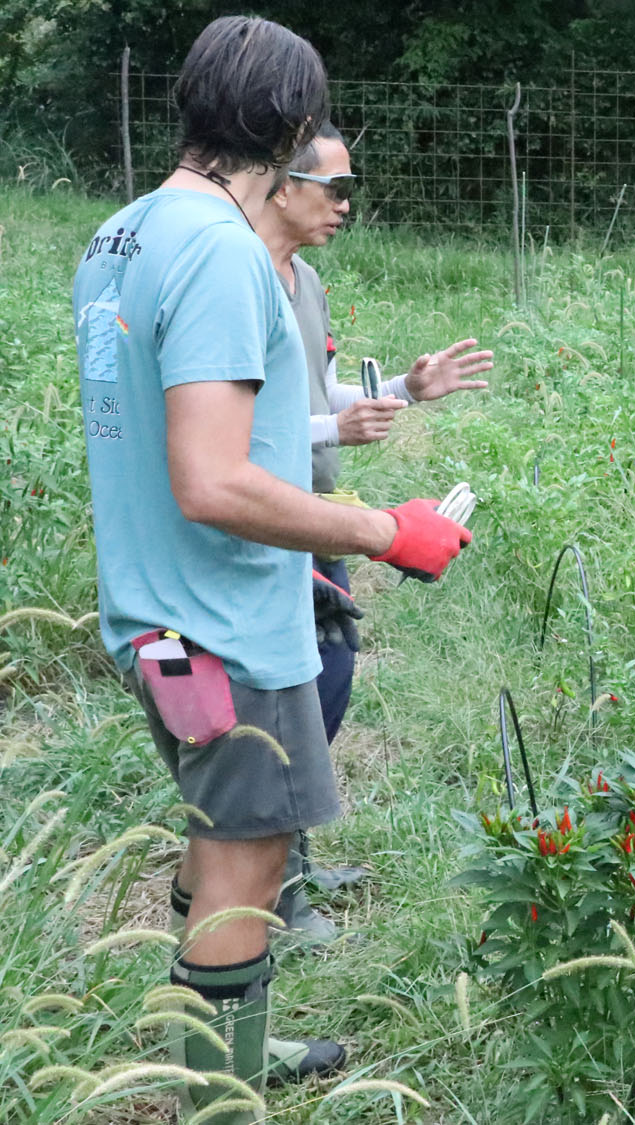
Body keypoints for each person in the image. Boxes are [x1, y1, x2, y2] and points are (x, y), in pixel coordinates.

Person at [70, 16, 470, 1120]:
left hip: (157, 610)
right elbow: (211, 478)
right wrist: (381, 530)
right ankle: (220, 1093)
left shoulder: (121, 234)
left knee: (224, 848)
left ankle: (217, 1044)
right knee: (246, 865)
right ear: (290, 123)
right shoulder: (221, 252)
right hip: (227, 624)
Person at [254, 120, 495, 946]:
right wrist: (334, 431)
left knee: (325, 686)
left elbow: (318, 396)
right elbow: (233, 435)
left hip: (316, 517)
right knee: (280, 708)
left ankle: (292, 859)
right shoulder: (237, 281)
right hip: (266, 521)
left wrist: (404, 388)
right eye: (335, 188)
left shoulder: (306, 280)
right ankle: (275, 897)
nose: (346, 205)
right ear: (282, 183)